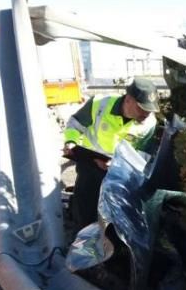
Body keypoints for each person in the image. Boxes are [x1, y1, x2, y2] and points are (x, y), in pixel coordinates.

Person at [63, 77, 159, 228]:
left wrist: (117, 166)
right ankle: (83, 239)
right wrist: (71, 141)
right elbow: (75, 124)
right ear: (128, 100)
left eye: (149, 109)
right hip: (90, 167)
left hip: (118, 174)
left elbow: (142, 157)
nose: (146, 113)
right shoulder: (99, 104)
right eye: (142, 108)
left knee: (112, 215)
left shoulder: (149, 123)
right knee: (84, 210)